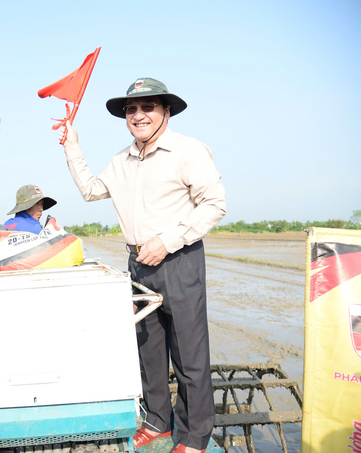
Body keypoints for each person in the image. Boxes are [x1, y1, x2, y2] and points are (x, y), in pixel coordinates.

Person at [61, 78, 226, 453]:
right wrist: (72, 144)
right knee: (148, 348)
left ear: (166, 111)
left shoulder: (188, 151)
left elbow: (214, 204)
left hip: (179, 260)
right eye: (131, 110)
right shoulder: (122, 159)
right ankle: (156, 421)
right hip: (138, 263)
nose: (139, 115)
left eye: (148, 107)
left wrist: (167, 241)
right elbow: (90, 189)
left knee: (189, 354)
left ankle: (196, 436)